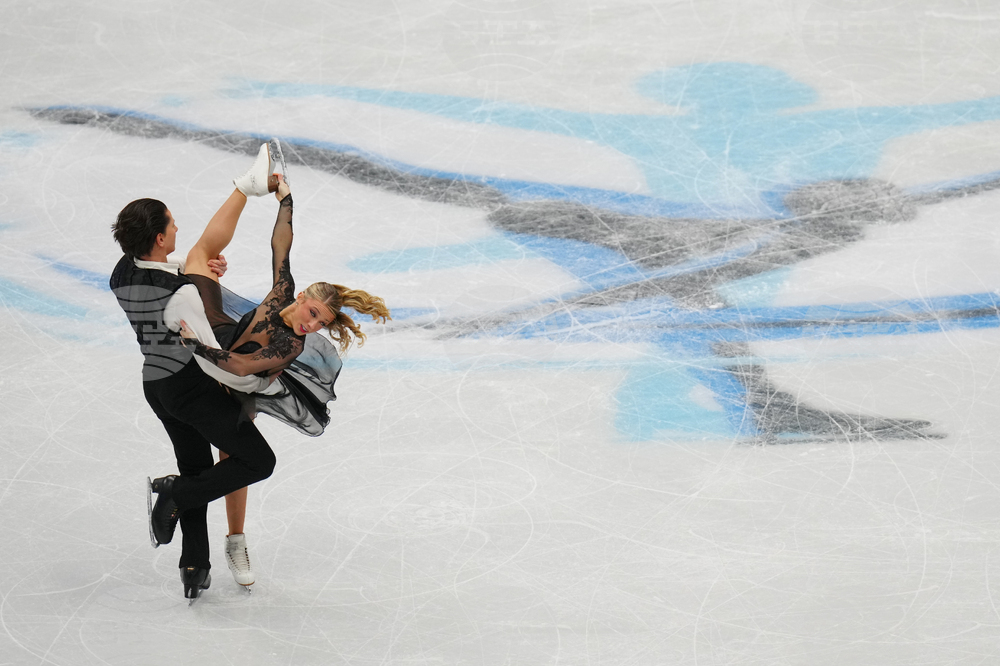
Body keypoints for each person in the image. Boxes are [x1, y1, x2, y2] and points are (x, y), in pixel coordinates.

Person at [176, 143, 391, 591]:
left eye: (320, 323)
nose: (311, 324)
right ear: (301, 296)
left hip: (240, 384)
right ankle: (246, 186)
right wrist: (285, 200)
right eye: (312, 313)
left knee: (232, 459)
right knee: (198, 259)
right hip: (223, 338)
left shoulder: (291, 345)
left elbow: (239, 366)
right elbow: (281, 243)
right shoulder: (281, 292)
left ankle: (236, 540)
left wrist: (196, 346)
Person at [108, 146, 283, 600]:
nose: (177, 227)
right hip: (190, 387)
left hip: (156, 386)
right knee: (257, 461)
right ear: (160, 238)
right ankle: (174, 494)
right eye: (171, 224)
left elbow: (161, 272)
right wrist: (255, 382)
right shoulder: (182, 295)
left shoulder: (121, 273)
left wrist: (195, 270)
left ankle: (194, 566)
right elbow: (212, 357)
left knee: (196, 466)